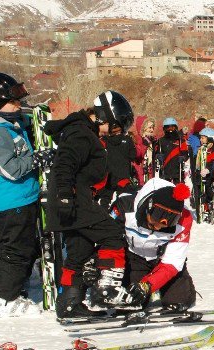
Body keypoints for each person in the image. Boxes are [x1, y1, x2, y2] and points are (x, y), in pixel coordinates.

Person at [46, 90, 136, 318]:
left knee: (80, 250)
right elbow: (64, 165)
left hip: (73, 201)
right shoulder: (81, 134)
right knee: (112, 233)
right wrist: (65, 196)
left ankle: (69, 301)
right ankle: (108, 289)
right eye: (114, 127)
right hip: (73, 201)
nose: (115, 133)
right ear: (104, 116)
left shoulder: (83, 132)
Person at [0, 72, 47, 318]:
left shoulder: (7, 127)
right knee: (15, 251)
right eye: (12, 102)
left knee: (5, 250)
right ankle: (4, 299)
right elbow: (11, 169)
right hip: (13, 200)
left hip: (18, 198)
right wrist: (36, 159)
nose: (18, 106)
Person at [110, 179, 197, 311]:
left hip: (162, 260)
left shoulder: (185, 219)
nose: (158, 226)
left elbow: (172, 262)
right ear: (149, 206)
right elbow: (109, 239)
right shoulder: (125, 205)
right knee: (130, 302)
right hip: (134, 259)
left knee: (179, 300)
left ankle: (169, 288)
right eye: (157, 216)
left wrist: (148, 285)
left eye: (170, 221)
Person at [158, 117, 188, 184]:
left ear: (176, 128)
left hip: (178, 171)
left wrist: (183, 157)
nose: (170, 130)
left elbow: (186, 154)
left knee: (178, 189)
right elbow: (156, 152)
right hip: (165, 171)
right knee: (165, 190)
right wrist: (158, 156)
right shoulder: (161, 141)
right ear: (164, 129)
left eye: (172, 127)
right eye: (168, 127)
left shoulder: (180, 141)